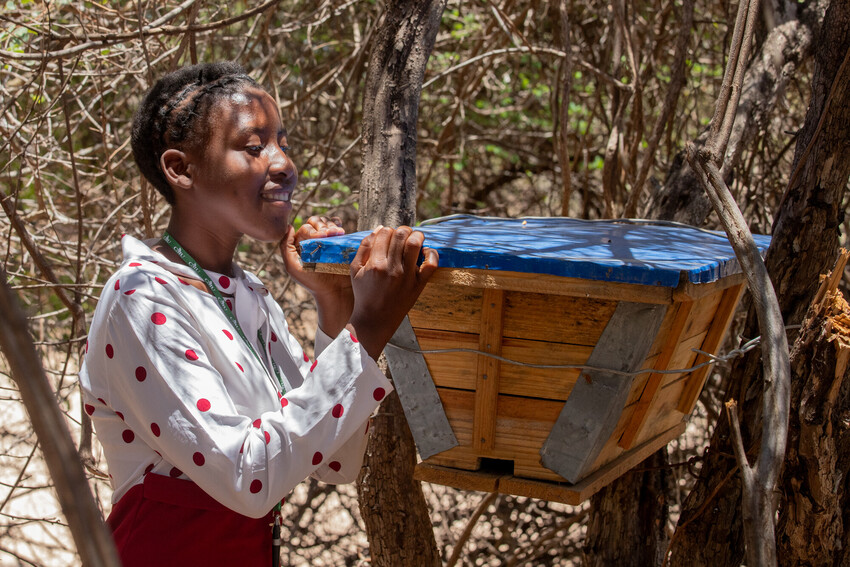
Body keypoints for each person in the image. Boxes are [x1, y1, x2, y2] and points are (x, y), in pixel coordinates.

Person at [78, 61, 438, 567]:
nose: (283, 163)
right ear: (181, 169)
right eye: (254, 147)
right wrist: (369, 327)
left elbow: (338, 460)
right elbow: (250, 478)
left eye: (282, 142)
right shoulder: (141, 297)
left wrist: (336, 305)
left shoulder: (248, 295)